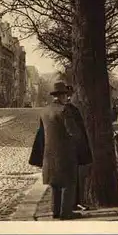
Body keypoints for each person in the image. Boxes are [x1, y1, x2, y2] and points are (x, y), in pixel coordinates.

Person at [39, 81, 85, 220]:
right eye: (66, 95)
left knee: (55, 183)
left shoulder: (45, 111)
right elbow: (73, 132)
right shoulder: (65, 110)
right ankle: (66, 212)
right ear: (62, 96)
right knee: (69, 182)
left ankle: (56, 211)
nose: (67, 98)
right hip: (65, 153)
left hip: (49, 154)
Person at [65, 85, 92, 212]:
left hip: (76, 149)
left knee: (78, 177)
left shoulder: (73, 108)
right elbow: (75, 131)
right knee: (74, 178)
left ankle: (76, 202)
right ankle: (73, 203)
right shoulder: (69, 110)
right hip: (74, 149)